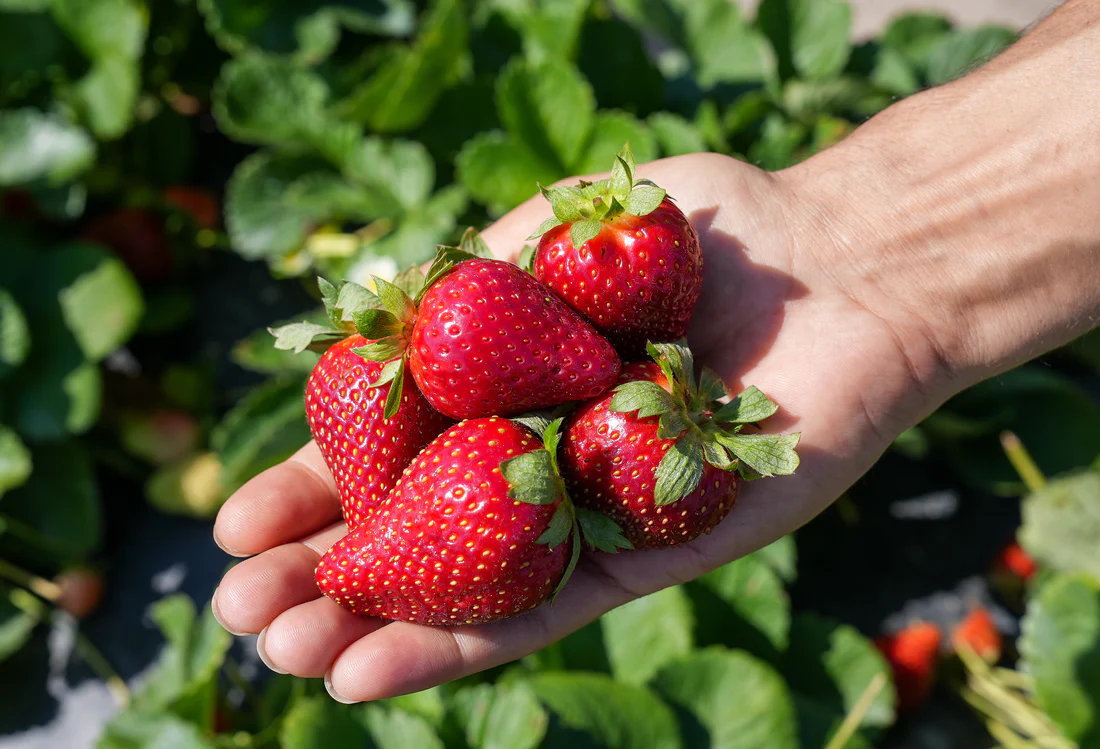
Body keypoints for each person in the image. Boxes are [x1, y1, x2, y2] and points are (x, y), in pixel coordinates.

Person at [209, 0, 1100, 704]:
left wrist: (853, 244)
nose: (594, 367)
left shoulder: (561, 354)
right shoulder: (504, 348)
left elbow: (580, 373)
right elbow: (567, 375)